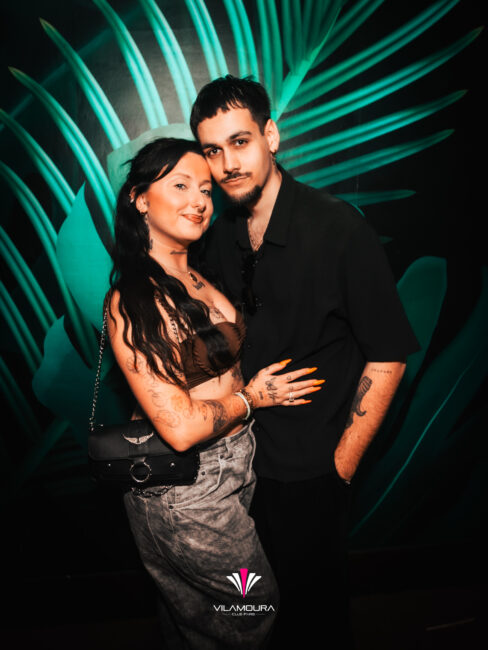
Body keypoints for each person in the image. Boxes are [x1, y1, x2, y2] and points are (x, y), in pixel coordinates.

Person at [190, 76, 420, 649]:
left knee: (315, 626)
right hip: (238, 473)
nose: (228, 164)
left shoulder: (338, 229)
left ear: (271, 136)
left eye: (240, 142)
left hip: (311, 476)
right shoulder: (219, 237)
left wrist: (340, 467)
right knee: (254, 622)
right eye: (213, 151)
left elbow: (388, 356)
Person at [106, 137, 323, 650]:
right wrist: (254, 398)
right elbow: (180, 429)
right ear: (140, 198)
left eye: (206, 190)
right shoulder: (134, 300)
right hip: (184, 487)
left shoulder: (193, 274)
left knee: (194, 613)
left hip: (232, 464)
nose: (200, 201)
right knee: (253, 605)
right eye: (180, 186)